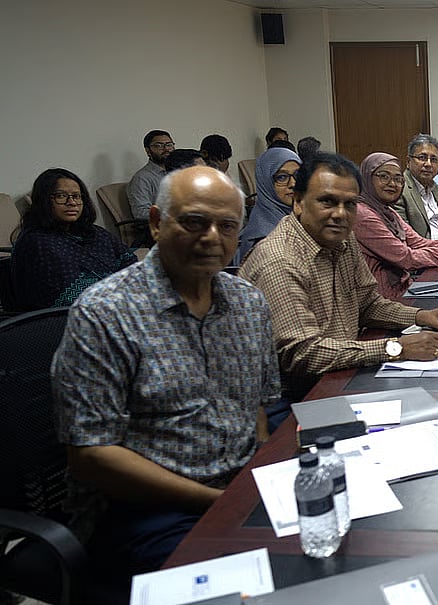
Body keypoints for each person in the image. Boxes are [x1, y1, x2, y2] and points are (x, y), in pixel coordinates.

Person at [52, 166, 278, 582]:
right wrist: (220, 500)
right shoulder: (105, 312)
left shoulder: (249, 303)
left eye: (227, 226)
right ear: (156, 223)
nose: (212, 237)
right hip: (146, 512)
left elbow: (258, 408)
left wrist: (259, 476)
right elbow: (90, 455)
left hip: (237, 488)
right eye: (194, 221)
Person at [240, 152, 438, 405]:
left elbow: (368, 304)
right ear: (298, 202)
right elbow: (304, 354)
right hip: (296, 399)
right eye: (327, 202)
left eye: (350, 204)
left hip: (342, 374)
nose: (340, 214)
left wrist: (420, 316)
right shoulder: (280, 260)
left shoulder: (342, 239)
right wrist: (396, 348)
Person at [357, 151, 438, 299]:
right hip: (383, 301)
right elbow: (406, 257)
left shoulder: (387, 211)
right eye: (383, 176)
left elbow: (418, 242)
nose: (392, 184)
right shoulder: (363, 215)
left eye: (398, 179)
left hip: (405, 287)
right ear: (367, 178)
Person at [11, 168, 136, 310]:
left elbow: (129, 262)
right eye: (61, 196)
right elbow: (72, 297)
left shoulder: (95, 232)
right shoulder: (37, 242)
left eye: (77, 196)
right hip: (66, 321)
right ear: (44, 200)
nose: (72, 202)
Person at [235, 146, 301, 265]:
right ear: (265, 182)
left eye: (298, 175)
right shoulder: (262, 239)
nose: (293, 183)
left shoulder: (298, 217)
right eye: (282, 177)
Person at [395, 134, 438, 242]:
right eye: (422, 158)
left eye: (434, 159)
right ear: (408, 162)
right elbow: (407, 238)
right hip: (428, 254)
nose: (428, 164)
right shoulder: (400, 190)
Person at [128, 129, 174, 220]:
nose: (166, 149)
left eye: (169, 145)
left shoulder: (177, 172)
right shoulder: (142, 178)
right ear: (148, 150)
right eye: (159, 146)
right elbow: (141, 212)